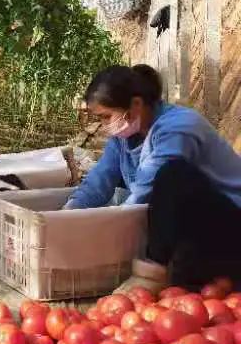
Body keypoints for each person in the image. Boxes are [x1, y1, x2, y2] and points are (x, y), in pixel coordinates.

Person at [64, 64, 241, 288]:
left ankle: (153, 270)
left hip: (231, 223)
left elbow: (143, 193)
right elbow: (101, 179)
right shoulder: (124, 138)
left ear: (136, 104)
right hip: (196, 230)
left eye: (106, 117)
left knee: (173, 175)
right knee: (123, 179)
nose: (104, 126)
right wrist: (68, 212)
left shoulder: (179, 127)